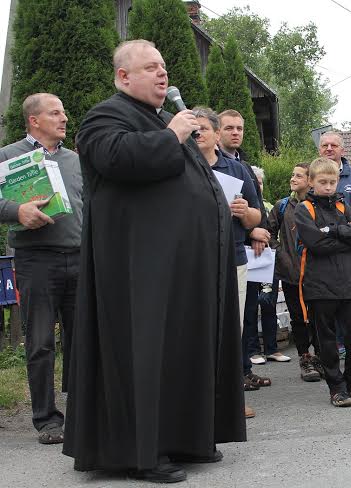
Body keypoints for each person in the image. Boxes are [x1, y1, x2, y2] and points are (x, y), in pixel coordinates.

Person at [62, 40, 245, 483]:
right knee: (146, 352)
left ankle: (187, 438)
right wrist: (173, 136)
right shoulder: (105, 116)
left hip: (181, 265)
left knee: (184, 347)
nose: (162, 73)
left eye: (163, 66)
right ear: (123, 77)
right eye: (150, 68)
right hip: (138, 267)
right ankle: (144, 452)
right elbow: (117, 159)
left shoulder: (163, 119)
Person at [0, 93, 83, 444]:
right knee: (40, 342)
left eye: (63, 112)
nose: (64, 118)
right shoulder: (8, 156)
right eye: (55, 113)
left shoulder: (75, 160)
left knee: (82, 341)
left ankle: (82, 414)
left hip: (79, 258)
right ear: (34, 120)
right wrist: (16, 211)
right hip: (36, 261)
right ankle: (46, 420)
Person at [191, 106, 262, 419]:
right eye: (193, 130)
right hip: (191, 261)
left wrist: (244, 212)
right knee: (195, 330)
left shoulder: (237, 170)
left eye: (203, 129)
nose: (198, 135)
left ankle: (229, 400)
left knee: (232, 330)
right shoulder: (178, 166)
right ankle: (197, 401)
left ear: (216, 134)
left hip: (233, 259)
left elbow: (256, 218)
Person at [295, 157, 351, 407]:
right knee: (327, 339)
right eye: (323, 182)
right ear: (311, 182)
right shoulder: (304, 209)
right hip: (320, 284)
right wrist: (346, 236)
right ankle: (337, 387)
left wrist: (333, 230)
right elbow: (315, 244)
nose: (329, 186)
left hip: (349, 282)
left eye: (332, 182)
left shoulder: (343, 206)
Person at [318, 131, 351, 363]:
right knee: (329, 303)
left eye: (334, 145)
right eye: (325, 145)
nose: (329, 148)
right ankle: (334, 349)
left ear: (343, 150)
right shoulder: (313, 172)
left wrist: (343, 231)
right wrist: (342, 230)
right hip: (325, 253)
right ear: (319, 149)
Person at [266, 162, 322, 381]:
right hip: (290, 273)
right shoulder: (282, 206)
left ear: (310, 181)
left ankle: (321, 358)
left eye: (299, 176)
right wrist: (281, 254)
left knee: (319, 316)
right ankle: (305, 359)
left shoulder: (317, 204)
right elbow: (268, 232)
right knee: (298, 318)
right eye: (292, 175)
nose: (293, 179)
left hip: (316, 273)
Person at [244, 166, 290, 365]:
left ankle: (272, 348)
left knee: (268, 302)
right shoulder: (244, 207)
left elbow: (273, 231)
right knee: (250, 305)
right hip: (249, 257)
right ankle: (253, 349)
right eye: (255, 183)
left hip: (267, 258)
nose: (258, 186)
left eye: (260, 183)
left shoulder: (269, 206)